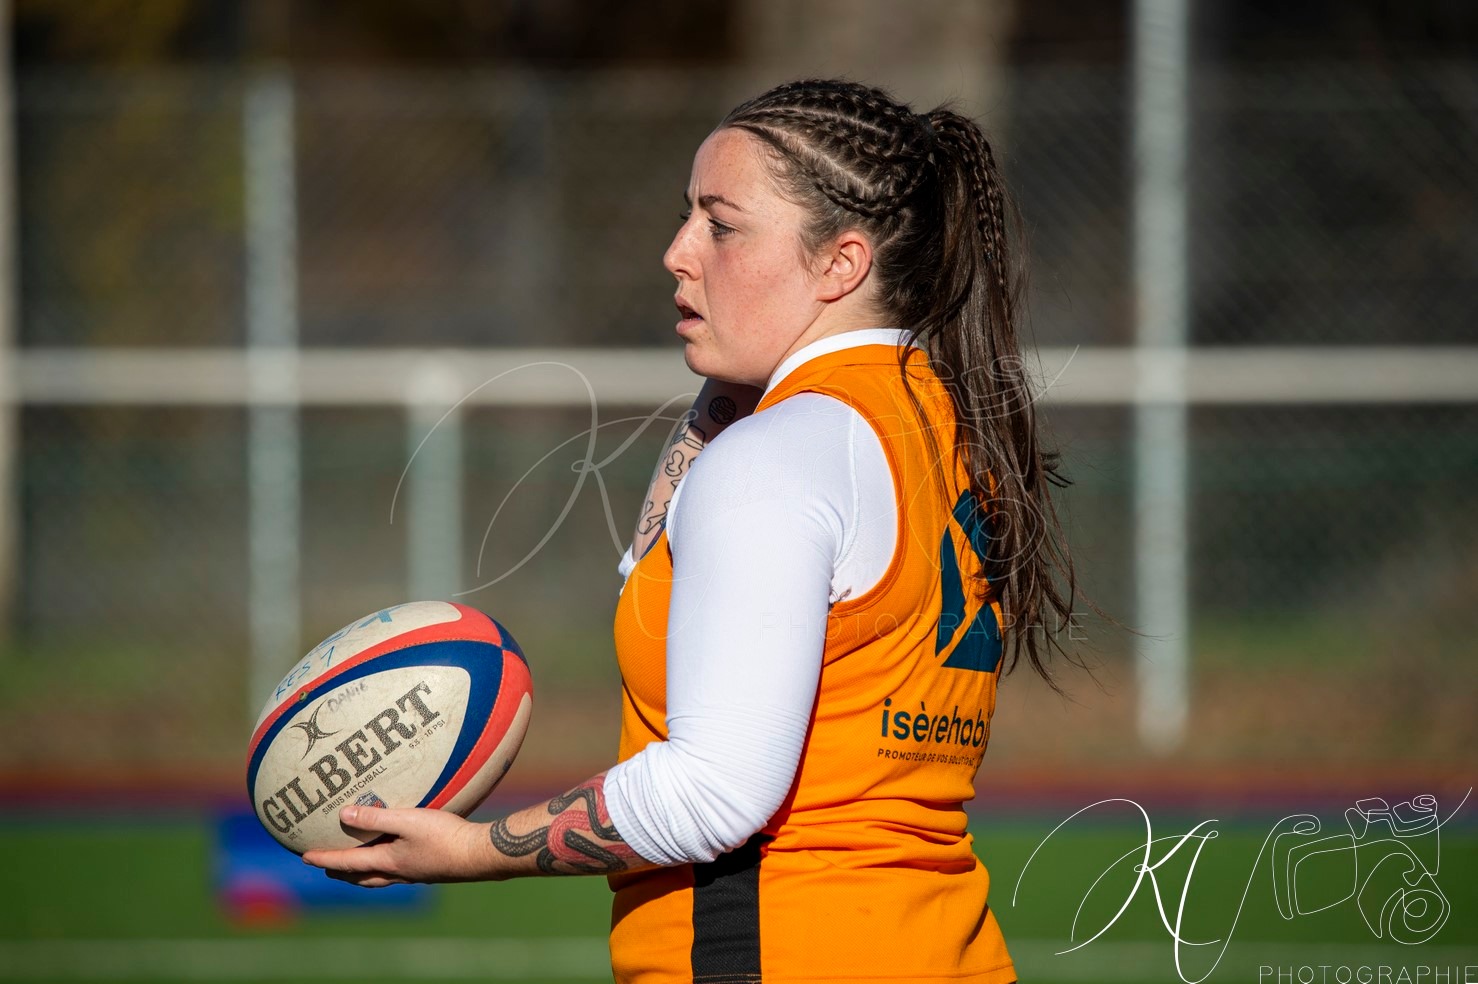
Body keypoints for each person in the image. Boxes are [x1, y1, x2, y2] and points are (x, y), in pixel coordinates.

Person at [305, 78, 1089, 984]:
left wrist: (473, 849)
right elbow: (657, 566)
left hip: (779, 953)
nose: (677, 252)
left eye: (721, 225)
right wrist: (729, 379)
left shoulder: (779, 455)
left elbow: (717, 792)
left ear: (840, 264)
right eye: (688, 216)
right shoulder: (939, 426)